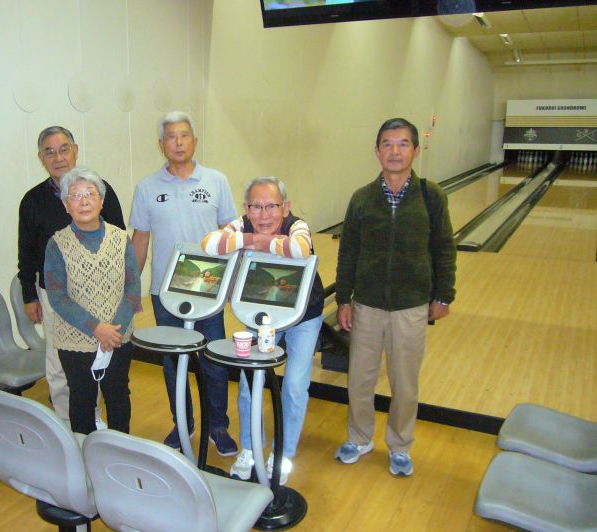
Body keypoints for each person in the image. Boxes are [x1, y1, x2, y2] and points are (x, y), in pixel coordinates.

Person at [334, 117, 456, 476]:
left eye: (403, 144)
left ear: (415, 150)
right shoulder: (362, 198)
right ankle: (359, 438)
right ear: (377, 151)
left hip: (411, 305)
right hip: (367, 304)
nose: (395, 151)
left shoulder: (431, 196)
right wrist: (343, 299)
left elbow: (444, 247)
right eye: (387, 144)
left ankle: (400, 445)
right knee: (360, 380)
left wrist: (444, 295)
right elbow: (348, 252)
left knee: (405, 384)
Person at [202, 176, 324, 485]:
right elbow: (210, 244)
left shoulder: (298, 225)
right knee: (248, 384)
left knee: (294, 386)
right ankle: (249, 449)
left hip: (303, 315)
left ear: (286, 207)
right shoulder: (241, 223)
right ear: (246, 208)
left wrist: (252, 241)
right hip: (259, 314)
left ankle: (284, 454)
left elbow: (299, 249)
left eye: (272, 206)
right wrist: (255, 239)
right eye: (256, 207)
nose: (264, 214)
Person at [130, 111, 238, 455]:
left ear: (195, 141)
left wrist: (231, 281)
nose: (178, 143)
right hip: (165, 293)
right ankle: (183, 424)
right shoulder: (147, 187)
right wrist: (132, 287)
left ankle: (218, 426)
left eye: (184, 135)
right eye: (171, 137)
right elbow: (140, 239)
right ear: (160, 144)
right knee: (173, 363)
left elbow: (229, 233)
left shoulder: (216, 181)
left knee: (213, 361)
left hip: (208, 289)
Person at [17, 126, 125, 428]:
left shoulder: (100, 190)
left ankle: (95, 419)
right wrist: (29, 295)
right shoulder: (32, 200)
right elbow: (26, 253)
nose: (58, 157)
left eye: (64, 149)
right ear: (41, 158)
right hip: (56, 298)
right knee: (60, 365)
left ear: (75, 151)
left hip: (101, 294)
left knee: (101, 357)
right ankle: (70, 426)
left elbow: (119, 240)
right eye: (49, 152)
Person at [43, 167, 140, 434]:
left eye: (90, 194)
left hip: (118, 336)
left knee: (118, 394)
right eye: (75, 195)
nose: (84, 201)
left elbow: (133, 287)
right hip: (75, 340)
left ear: (101, 201)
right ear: (66, 205)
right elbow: (57, 297)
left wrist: (113, 331)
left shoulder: (121, 239)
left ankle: (120, 448)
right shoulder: (56, 244)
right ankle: (85, 450)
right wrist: (97, 329)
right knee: (82, 399)